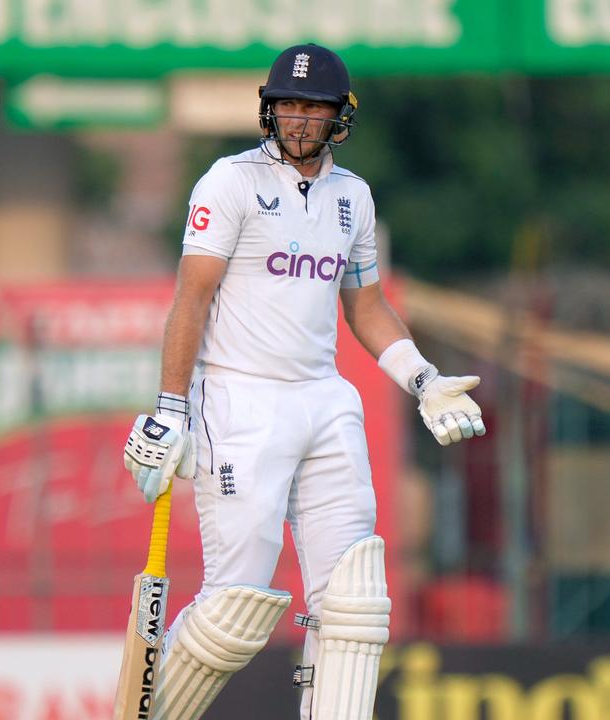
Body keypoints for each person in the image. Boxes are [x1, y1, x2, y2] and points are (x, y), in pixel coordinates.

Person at [122, 44, 486, 720]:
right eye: (287, 105)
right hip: (239, 399)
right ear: (269, 109)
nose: (296, 119)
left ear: (337, 117)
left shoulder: (353, 198)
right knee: (234, 605)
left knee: (353, 599)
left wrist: (422, 379)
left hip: (323, 398)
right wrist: (171, 408)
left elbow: (366, 306)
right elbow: (191, 298)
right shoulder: (228, 183)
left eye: (311, 107)